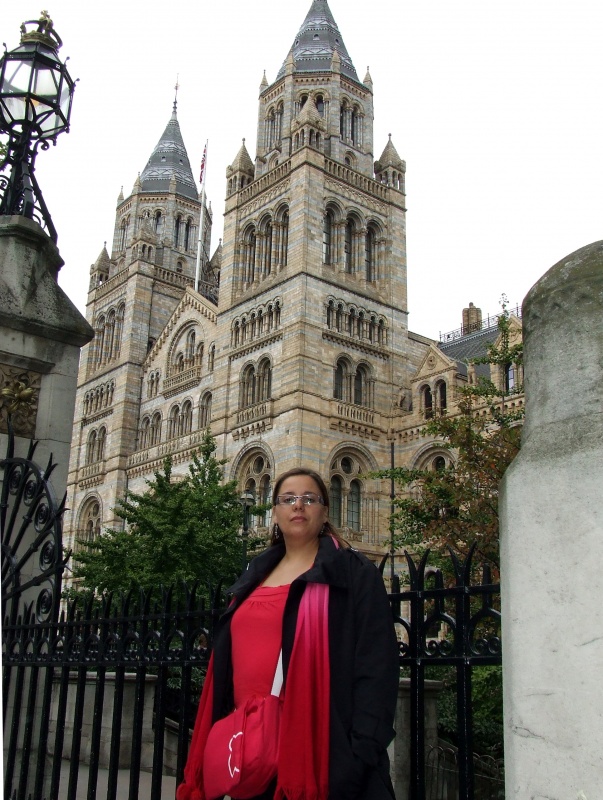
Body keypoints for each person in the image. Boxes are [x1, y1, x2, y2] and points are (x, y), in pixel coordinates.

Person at [177, 467, 399, 800]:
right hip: (254, 748)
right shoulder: (253, 575)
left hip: (321, 751)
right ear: (275, 513)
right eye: (288, 499)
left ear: (325, 512)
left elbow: (377, 666)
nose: (298, 506)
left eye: (309, 499)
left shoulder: (352, 573)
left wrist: (359, 753)